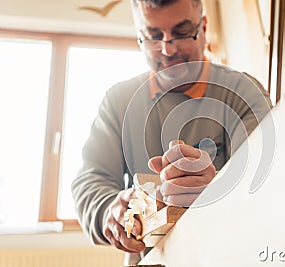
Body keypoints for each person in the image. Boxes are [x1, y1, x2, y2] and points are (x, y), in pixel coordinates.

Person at [71, 0, 272, 265]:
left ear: (203, 27)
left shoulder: (245, 93)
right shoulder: (118, 101)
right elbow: (91, 180)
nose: (168, 49)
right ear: (139, 36)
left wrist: (216, 188)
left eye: (181, 32)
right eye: (153, 36)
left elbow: (267, 183)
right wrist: (109, 210)